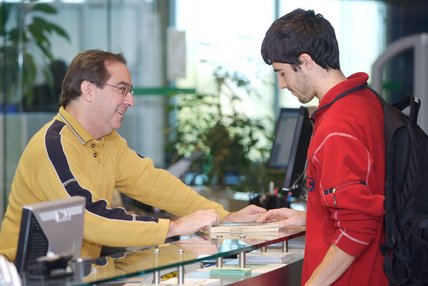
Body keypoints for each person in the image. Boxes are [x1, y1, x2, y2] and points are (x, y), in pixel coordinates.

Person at [0, 49, 266, 262]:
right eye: (122, 89)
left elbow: (152, 182)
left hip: (75, 274)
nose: (130, 100)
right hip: (25, 278)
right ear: (89, 90)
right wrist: (172, 227)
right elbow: (88, 217)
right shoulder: (54, 145)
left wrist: (221, 215)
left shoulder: (108, 141)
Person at [257, 9, 387, 286]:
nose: (281, 85)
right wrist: (311, 219)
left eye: (281, 73)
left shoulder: (336, 127)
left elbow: (358, 227)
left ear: (304, 62)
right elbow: (365, 194)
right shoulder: (365, 101)